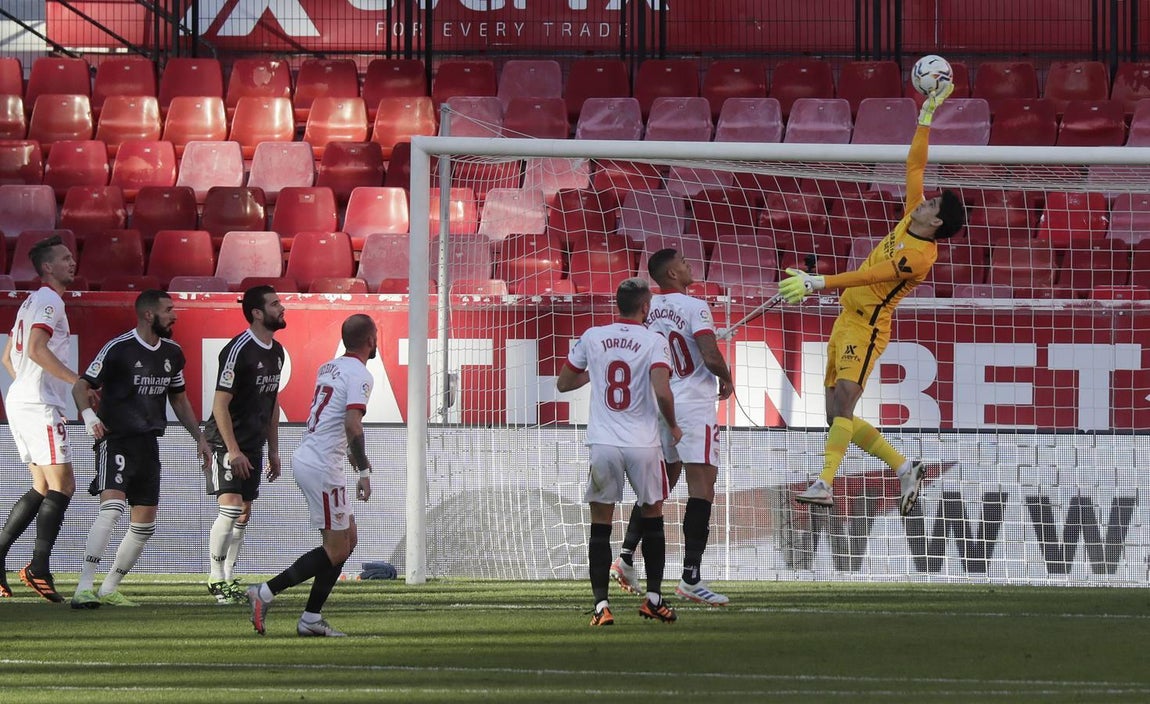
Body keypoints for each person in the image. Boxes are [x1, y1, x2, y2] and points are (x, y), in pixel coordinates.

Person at [783, 83, 964, 516]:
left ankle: (825, 483)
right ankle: (904, 467)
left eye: (932, 205)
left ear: (937, 224)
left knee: (845, 401)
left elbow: (870, 275)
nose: (924, 202)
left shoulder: (919, 257)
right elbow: (915, 164)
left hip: (868, 329)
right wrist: (926, 117)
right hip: (847, 319)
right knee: (835, 416)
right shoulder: (912, 217)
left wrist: (819, 283)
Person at [70, 290, 213, 608]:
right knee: (112, 510)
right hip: (116, 438)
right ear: (149, 315)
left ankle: (109, 588)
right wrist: (90, 416)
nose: (174, 315)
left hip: (149, 443)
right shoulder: (119, 348)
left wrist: (199, 437)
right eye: (168, 310)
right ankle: (83, 587)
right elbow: (81, 385)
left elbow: (178, 398)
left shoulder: (173, 352)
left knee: (145, 524)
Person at [610, 248, 735, 607]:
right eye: (682, 262)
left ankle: (626, 557)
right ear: (671, 274)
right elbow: (709, 355)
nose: (689, 264)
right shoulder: (695, 306)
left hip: (660, 402)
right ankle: (691, 578)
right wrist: (726, 377)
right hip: (693, 405)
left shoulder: (648, 310)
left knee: (663, 479)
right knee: (702, 488)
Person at [557, 277, 680, 626]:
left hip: (604, 443)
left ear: (618, 305)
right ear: (646, 307)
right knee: (653, 515)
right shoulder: (654, 340)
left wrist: (595, 373)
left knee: (601, 523)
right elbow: (663, 391)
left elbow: (564, 383)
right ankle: (653, 600)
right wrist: (673, 426)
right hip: (643, 444)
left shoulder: (593, 336)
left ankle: (601, 607)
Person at [247, 314, 376, 637]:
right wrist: (363, 471)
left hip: (316, 457)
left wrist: (350, 454)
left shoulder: (329, 367)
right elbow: (352, 425)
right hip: (322, 466)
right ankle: (265, 592)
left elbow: (333, 419)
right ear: (371, 340)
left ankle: (311, 618)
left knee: (348, 539)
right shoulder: (361, 374)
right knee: (336, 549)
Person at [0, 235, 79, 602]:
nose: (72, 262)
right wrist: (74, 381)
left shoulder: (31, 301)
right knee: (63, 485)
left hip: (20, 399)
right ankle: (38, 567)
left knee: (43, 486)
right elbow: (35, 348)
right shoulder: (50, 301)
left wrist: (28, 385)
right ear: (47, 267)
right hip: (38, 403)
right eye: (64, 258)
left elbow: (8, 358)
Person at [203, 285, 286, 604]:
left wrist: (274, 449)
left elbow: (272, 403)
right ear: (257, 313)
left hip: (253, 442)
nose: (282, 308)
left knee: (243, 512)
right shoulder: (238, 349)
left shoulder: (277, 352)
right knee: (231, 507)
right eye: (275, 304)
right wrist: (233, 450)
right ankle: (215, 578)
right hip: (226, 441)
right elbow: (219, 404)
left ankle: (228, 576)